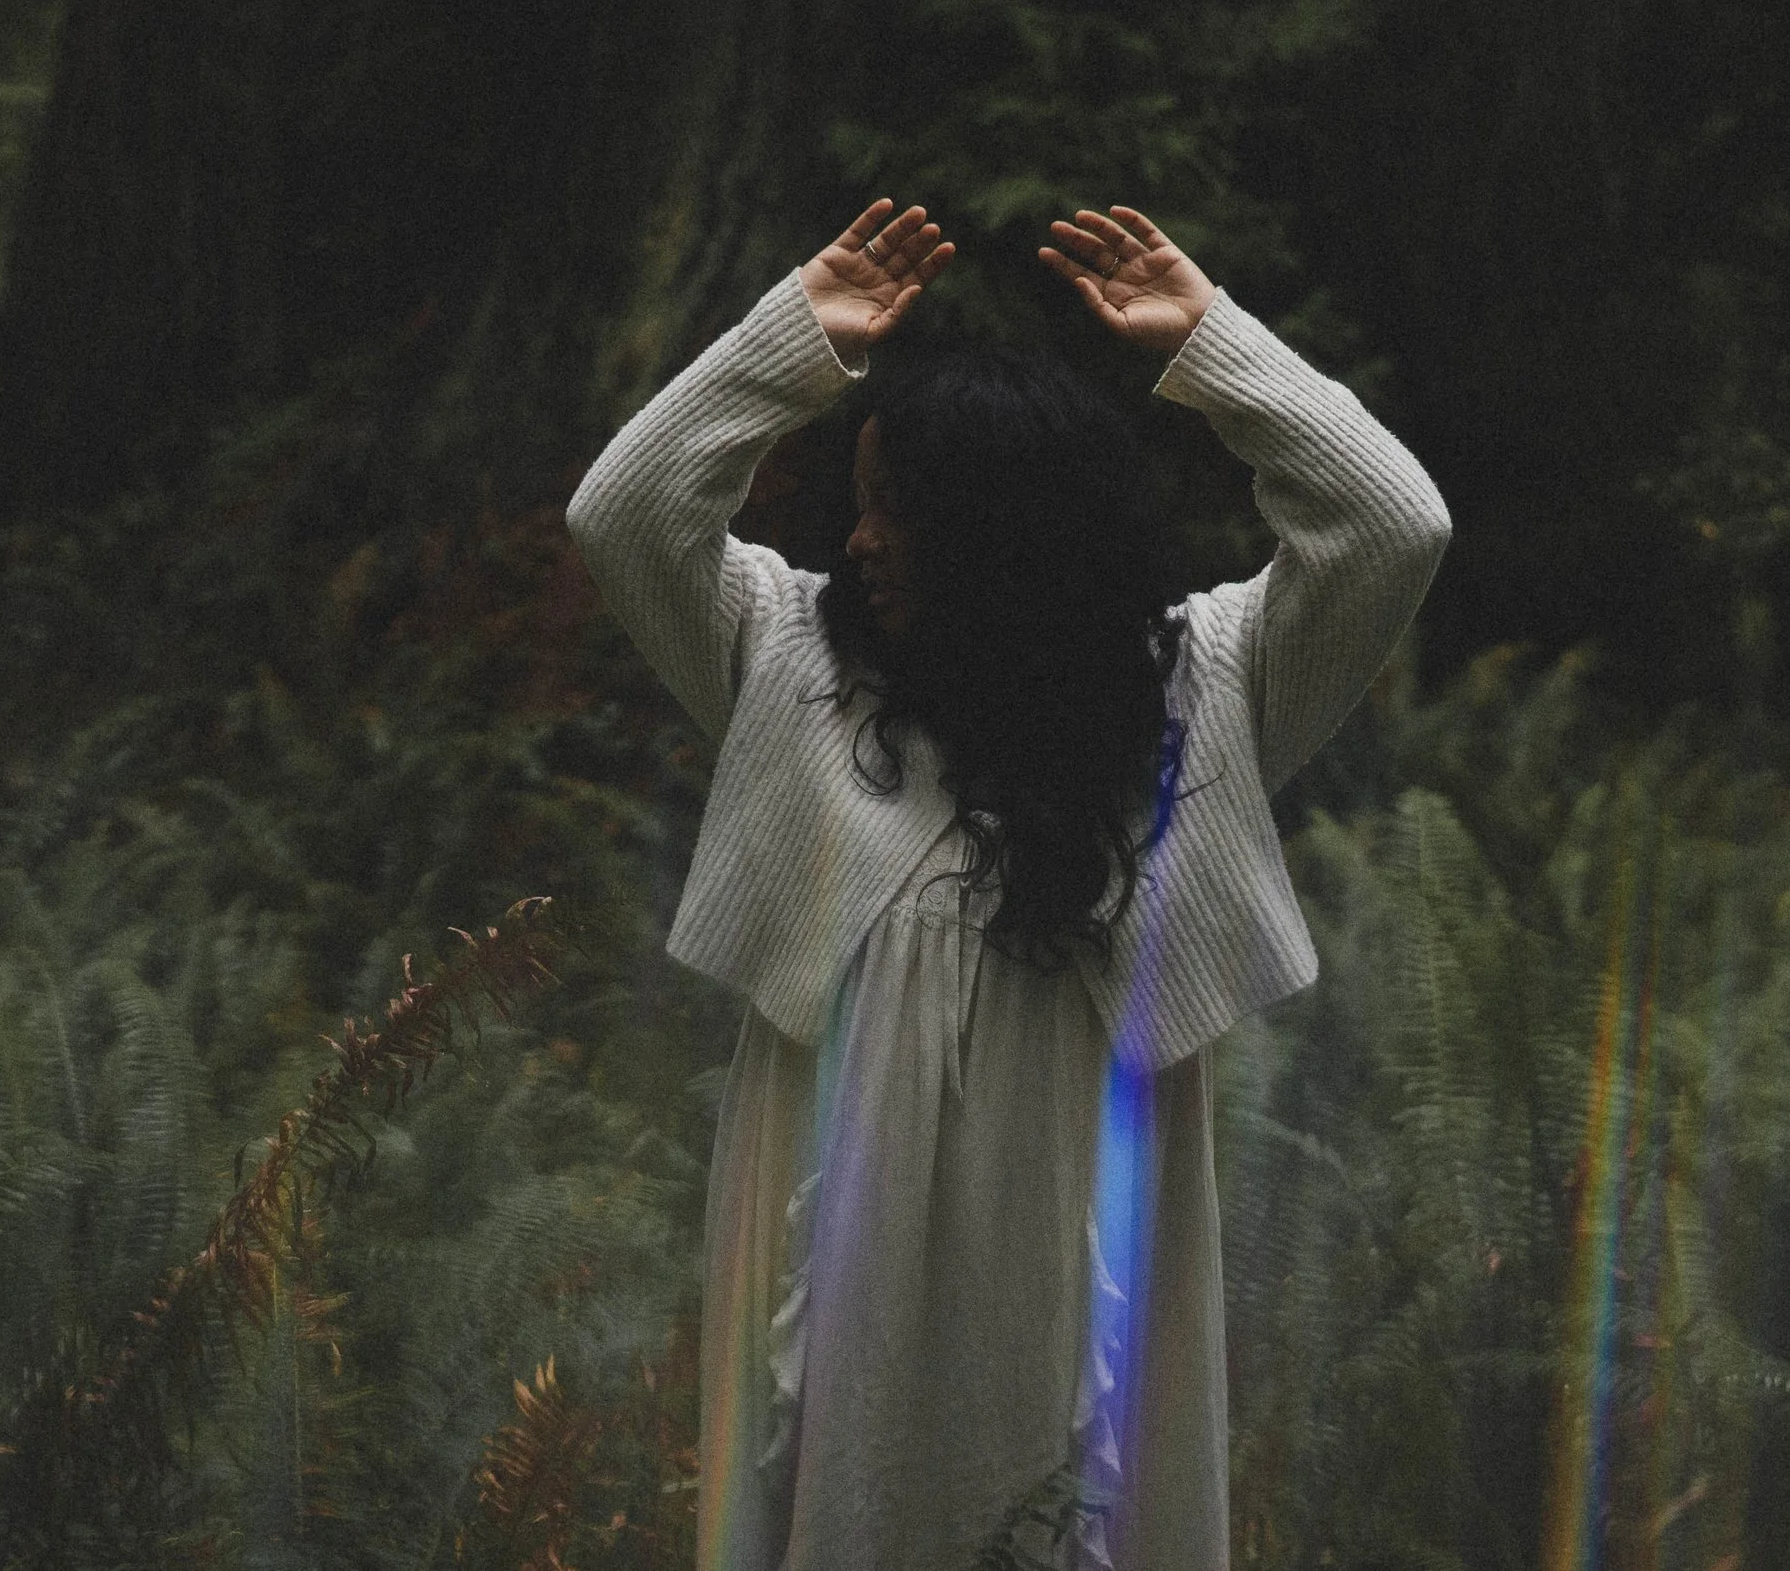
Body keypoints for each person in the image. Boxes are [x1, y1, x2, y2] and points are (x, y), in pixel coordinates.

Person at [567, 198, 1450, 1571]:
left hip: (1079, 1268)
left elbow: (1394, 525)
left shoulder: (1193, 691)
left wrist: (1212, 346)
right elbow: (622, 513)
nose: (860, 544)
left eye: (898, 512)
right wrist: (789, 346)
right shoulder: (790, 664)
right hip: (839, 1277)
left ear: (1002, 532)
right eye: (860, 506)